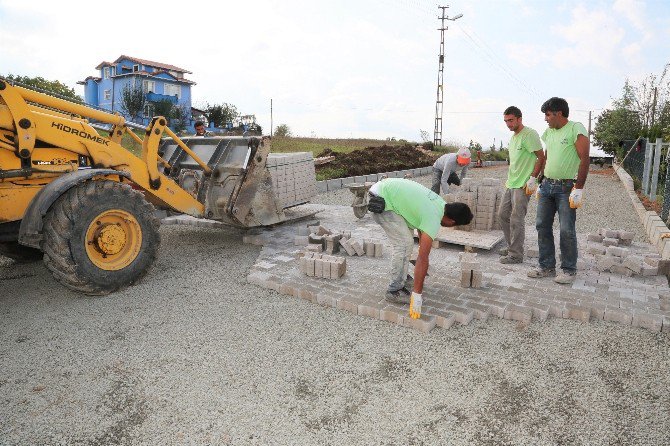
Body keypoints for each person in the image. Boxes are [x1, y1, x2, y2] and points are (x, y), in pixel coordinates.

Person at [368, 178, 473, 318]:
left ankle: (402, 276)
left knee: (406, 240)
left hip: (386, 191)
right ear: (452, 221)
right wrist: (417, 294)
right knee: (404, 244)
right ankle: (394, 290)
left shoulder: (440, 204)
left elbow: (420, 226)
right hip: (381, 201)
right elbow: (423, 257)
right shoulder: (433, 219)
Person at [528, 97, 590, 284]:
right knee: (541, 225)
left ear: (559, 113)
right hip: (547, 186)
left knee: (566, 229)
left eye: (547, 115)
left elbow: (585, 158)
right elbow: (547, 155)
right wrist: (537, 179)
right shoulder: (549, 132)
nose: (546, 119)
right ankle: (546, 266)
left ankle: (569, 270)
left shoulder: (575, 128)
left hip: (567, 187)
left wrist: (579, 188)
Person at [498, 106, 545, 264]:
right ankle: (511, 246)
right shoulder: (513, 137)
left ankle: (516, 254)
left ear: (519, 118)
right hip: (511, 183)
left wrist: (534, 178)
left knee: (517, 219)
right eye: (506, 121)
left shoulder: (529, 134)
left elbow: (541, 157)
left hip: (523, 184)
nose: (508, 124)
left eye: (511, 120)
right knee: (503, 215)